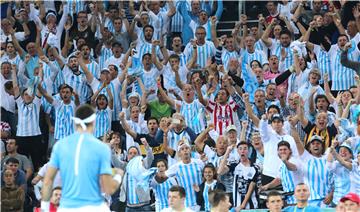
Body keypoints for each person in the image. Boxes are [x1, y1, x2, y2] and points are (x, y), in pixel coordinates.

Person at [41, 104, 124, 211]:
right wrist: (119, 175)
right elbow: (108, 188)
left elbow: (47, 181)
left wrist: (44, 209)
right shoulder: (101, 148)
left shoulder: (60, 146)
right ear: (94, 122)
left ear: (75, 122)